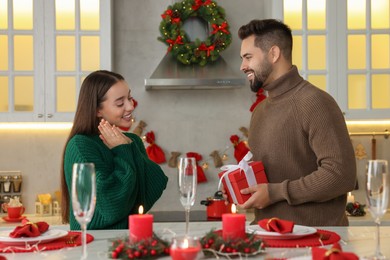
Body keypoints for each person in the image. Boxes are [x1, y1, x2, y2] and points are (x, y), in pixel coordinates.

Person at [235, 19, 356, 226]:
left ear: (273, 54)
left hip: (316, 243)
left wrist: (275, 192)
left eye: (248, 57)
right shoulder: (260, 111)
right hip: (268, 237)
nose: (242, 66)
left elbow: (340, 175)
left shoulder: (315, 102)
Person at [60, 70, 168, 230]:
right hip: (91, 244)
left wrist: (126, 147)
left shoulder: (131, 141)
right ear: (97, 110)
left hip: (127, 240)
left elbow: (154, 185)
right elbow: (111, 206)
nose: (131, 106)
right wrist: (123, 151)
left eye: (130, 98)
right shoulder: (81, 145)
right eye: (120, 103)